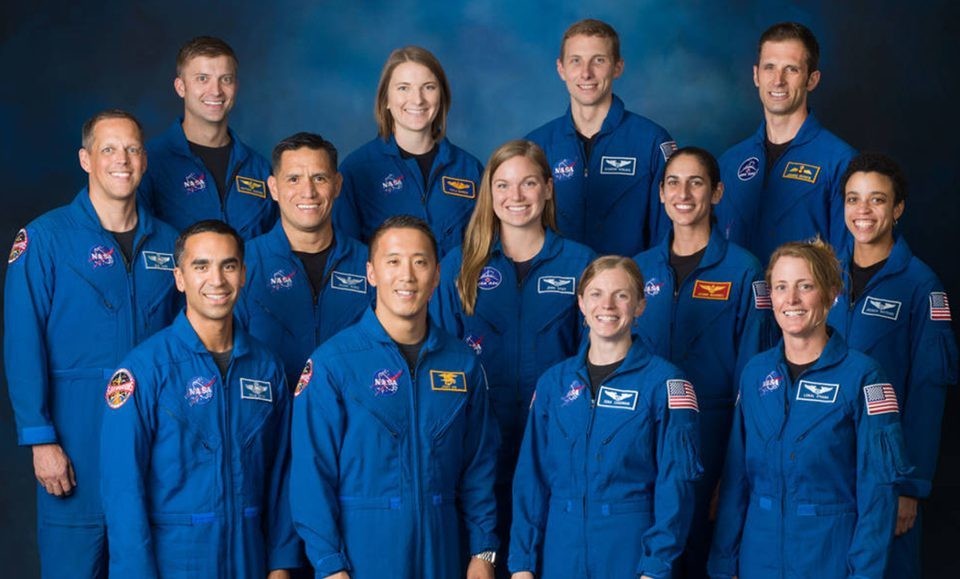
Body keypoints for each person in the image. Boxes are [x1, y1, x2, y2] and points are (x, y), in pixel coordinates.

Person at [4, 109, 180, 578]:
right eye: (109, 149)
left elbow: (185, 346)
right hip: (76, 440)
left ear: (145, 160)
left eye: (133, 149)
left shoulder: (171, 244)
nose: (122, 160)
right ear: (86, 159)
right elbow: (23, 344)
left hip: (154, 446)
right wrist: (40, 438)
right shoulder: (44, 240)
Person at [291, 215, 499, 579]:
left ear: (437, 275)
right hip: (362, 555)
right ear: (371, 273)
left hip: (442, 551)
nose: (407, 276)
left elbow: (479, 466)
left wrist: (483, 551)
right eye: (393, 261)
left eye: (420, 262)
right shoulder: (332, 364)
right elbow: (311, 474)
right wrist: (329, 565)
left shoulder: (463, 364)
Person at [430, 139, 595, 577]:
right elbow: (439, 362)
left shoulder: (581, 265)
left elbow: (594, 363)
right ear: (489, 192)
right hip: (477, 448)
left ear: (548, 188)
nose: (515, 196)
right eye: (502, 185)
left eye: (528, 183)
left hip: (556, 446)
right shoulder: (460, 267)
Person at [100, 220, 299, 578]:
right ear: (179, 278)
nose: (217, 280)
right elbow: (122, 490)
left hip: (249, 557)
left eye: (228, 266)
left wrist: (281, 562)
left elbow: (283, 472)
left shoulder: (267, 368)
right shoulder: (144, 371)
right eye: (201, 266)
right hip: (176, 560)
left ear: (243, 275)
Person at [709, 239, 911, 578]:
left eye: (805, 286)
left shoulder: (864, 377)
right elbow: (735, 479)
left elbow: (878, 493)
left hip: (828, 556)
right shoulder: (755, 374)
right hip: (759, 555)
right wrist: (723, 564)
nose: (791, 300)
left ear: (831, 293)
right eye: (781, 287)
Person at [510, 256, 702, 578]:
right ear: (581, 303)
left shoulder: (666, 384)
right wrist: (522, 563)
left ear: (640, 305)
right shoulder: (553, 384)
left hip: (628, 549)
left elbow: (676, 485)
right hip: (561, 548)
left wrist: (655, 567)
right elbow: (531, 478)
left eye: (621, 295)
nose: (607, 305)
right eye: (596, 294)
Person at [632, 146, 771, 578]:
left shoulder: (744, 271)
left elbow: (754, 381)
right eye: (673, 183)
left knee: (701, 558)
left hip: (712, 440)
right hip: (642, 438)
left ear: (717, 192)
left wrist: (734, 473)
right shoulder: (637, 271)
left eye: (696, 183)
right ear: (660, 193)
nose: (684, 194)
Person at [827, 153, 958, 578]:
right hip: (824, 465)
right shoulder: (823, 276)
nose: (863, 211)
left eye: (877, 199)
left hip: (884, 472)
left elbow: (928, 392)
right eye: (853, 199)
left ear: (898, 208)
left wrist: (910, 487)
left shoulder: (921, 286)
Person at [525, 18, 676, 257]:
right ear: (561, 69)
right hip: (556, 280)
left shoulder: (651, 142)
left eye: (599, 60)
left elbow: (668, 238)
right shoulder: (536, 146)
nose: (586, 73)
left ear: (617, 67)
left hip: (628, 280)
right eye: (576, 61)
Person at [237, 132, 372, 390]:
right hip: (270, 411)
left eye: (319, 178)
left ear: (337, 185)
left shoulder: (369, 265)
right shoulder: (245, 263)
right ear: (274, 188)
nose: (308, 192)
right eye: (294, 179)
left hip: (348, 411)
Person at [714, 22, 856, 262]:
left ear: (812, 79)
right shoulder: (729, 163)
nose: (778, 80)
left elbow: (848, 262)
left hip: (806, 288)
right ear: (756, 75)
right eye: (769, 67)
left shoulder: (840, 163)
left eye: (791, 69)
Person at [334, 46, 483, 258]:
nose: (417, 99)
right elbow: (347, 256)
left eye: (428, 87)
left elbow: (486, 249)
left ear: (442, 96)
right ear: (386, 99)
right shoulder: (355, 171)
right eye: (403, 88)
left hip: (457, 282)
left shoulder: (469, 170)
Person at [139, 36, 277, 239]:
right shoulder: (149, 163)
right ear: (180, 87)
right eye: (202, 79)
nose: (216, 91)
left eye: (226, 79)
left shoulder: (259, 169)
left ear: (236, 86)